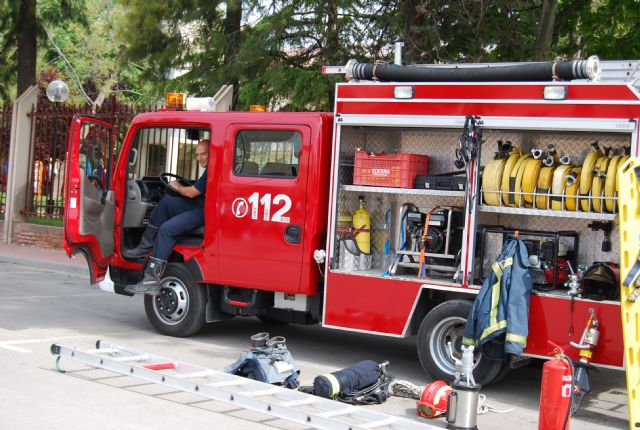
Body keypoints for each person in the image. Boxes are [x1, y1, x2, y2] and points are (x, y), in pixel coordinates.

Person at [125, 139, 210, 295]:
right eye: (197, 155)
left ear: (211, 152)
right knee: (166, 203)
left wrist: (178, 186)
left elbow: (192, 192)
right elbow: (196, 189)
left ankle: (150, 281)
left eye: (203, 154)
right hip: (200, 204)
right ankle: (145, 246)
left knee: (166, 229)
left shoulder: (213, 168)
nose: (200, 158)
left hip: (205, 211)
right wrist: (180, 186)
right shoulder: (208, 169)